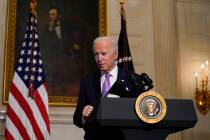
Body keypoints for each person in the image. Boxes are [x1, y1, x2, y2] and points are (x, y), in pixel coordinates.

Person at [73, 36, 145, 140]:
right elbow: (77, 119)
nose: (99, 59)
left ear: (115, 54)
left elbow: (141, 115)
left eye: (103, 53)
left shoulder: (133, 80)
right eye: (96, 54)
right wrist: (83, 117)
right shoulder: (87, 81)